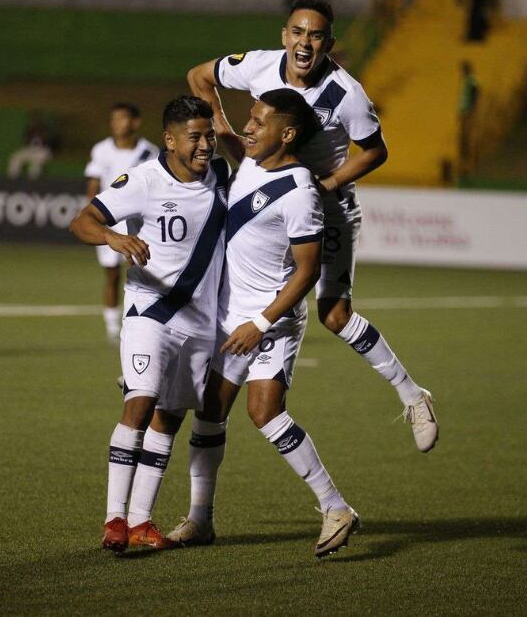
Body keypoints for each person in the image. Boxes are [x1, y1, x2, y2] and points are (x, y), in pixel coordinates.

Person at [186, 0, 437, 452]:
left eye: (315, 35)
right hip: (265, 204)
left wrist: (329, 182)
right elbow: (199, 76)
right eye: (297, 32)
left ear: (329, 43)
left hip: (326, 206)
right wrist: (224, 133)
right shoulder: (259, 65)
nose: (304, 42)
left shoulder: (347, 94)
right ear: (284, 36)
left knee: (335, 314)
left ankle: (412, 394)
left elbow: (376, 150)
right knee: (225, 283)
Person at [168, 90, 359, 558]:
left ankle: (336, 507)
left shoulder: (300, 191)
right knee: (209, 412)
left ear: (287, 134)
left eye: (258, 121)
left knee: (263, 411)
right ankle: (200, 519)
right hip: (230, 316)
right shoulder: (250, 162)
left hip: (274, 319)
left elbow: (307, 271)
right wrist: (207, 84)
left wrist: (262, 321)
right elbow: (213, 106)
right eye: (249, 119)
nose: (247, 128)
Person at [69, 96, 229, 553]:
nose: (205, 145)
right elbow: (82, 221)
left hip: (201, 321)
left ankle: (141, 520)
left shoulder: (222, 175)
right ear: (170, 139)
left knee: (170, 419)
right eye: (195, 137)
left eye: (209, 135)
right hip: (150, 310)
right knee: (139, 403)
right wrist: (113, 236)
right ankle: (114, 519)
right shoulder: (142, 181)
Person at [84, 103, 159, 343]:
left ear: (135, 122)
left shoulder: (150, 152)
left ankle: (138, 320)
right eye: (114, 119)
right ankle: (112, 327)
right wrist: (96, 218)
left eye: (123, 119)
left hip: (139, 222)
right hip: (110, 220)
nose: (117, 124)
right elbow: (93, 185)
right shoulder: (102, 150)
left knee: (139, 271)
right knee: (112, 274)